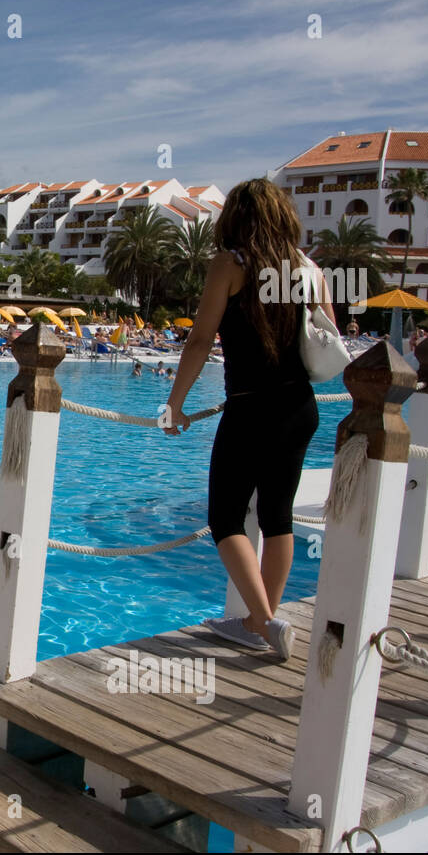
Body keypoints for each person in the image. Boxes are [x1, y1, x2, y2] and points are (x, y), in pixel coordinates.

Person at [162, 178, 332, 661]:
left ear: (236, 217)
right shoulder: (308, 269)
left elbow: (200, 340)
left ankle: (262, 620)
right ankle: (264, 622)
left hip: (252, 407)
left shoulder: (230, 264)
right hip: (300, 408)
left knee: (225, 518)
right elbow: (328, 333)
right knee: (278, 519)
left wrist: (175, 404)